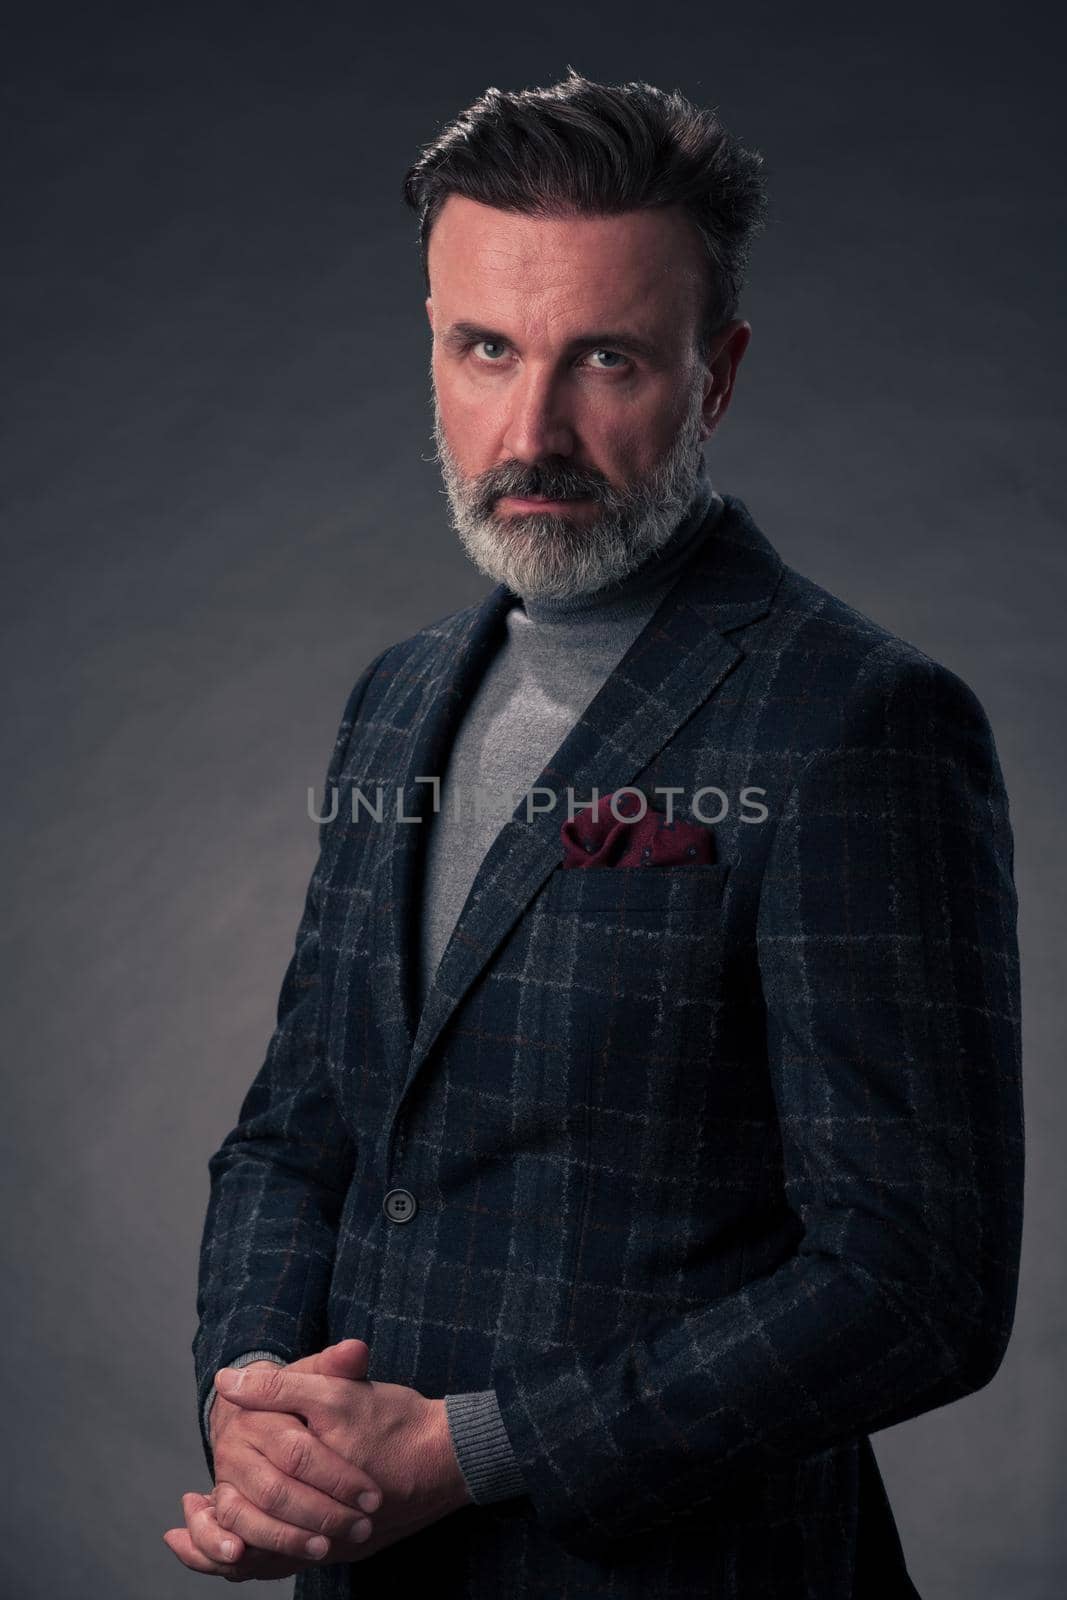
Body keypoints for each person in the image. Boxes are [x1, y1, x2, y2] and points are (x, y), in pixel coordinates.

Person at [165, 69, 1024, 1598]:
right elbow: (297, 1134)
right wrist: (252, 1404)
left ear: (717, 376)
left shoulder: (858, 721)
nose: (533, 427)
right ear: (432, 346)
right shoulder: (395, 700)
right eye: (484, 348)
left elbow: (916, 1286)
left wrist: (473, 1450)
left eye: (608, 359)